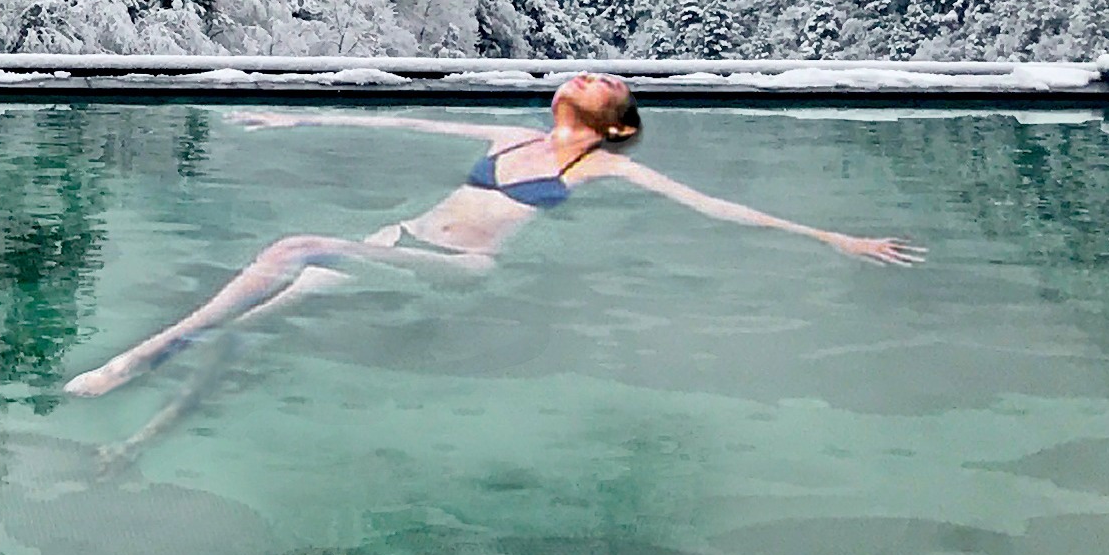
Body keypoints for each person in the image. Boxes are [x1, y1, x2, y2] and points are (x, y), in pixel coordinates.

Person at [63, 73, 922, 402]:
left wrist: (831, 238)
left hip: (455, 269)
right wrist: (288, 116)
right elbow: (400, 129)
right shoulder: (502, 137)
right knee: (251, 316)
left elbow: (716, 209)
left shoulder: (604, 169)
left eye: (601, 83)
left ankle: (133, 360)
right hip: (396, 241)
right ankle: (164, 380)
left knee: (290, 250)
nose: (582, 76)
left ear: (611, 122)